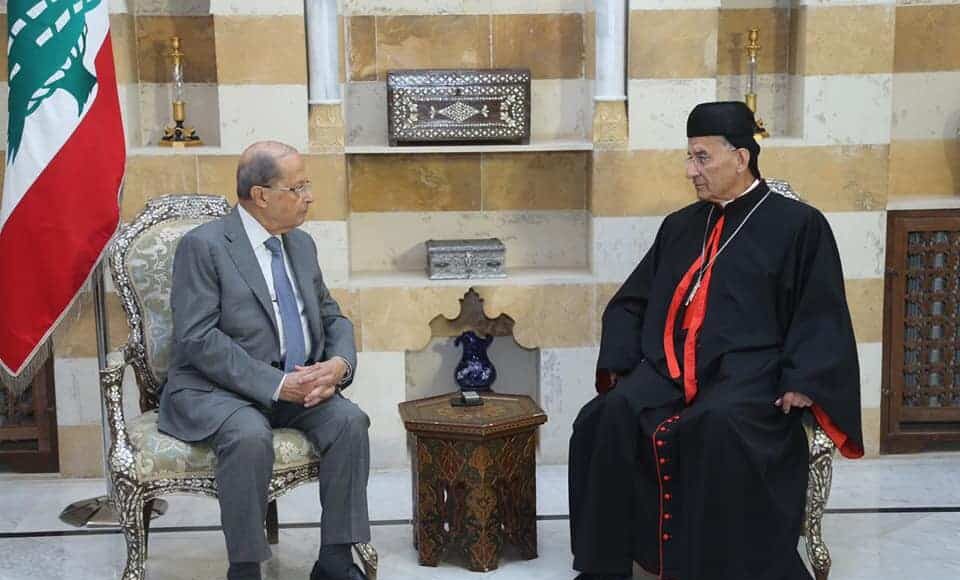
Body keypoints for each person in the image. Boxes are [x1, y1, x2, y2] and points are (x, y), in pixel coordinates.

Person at [568, 102, 863, 580]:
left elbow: (822, 309)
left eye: (701, 158)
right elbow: (633, 300)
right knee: (605, 416)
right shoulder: (681, 225)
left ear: (741, 157)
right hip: (670, 368)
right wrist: (624, 363)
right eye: (688, 157)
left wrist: (803, 379)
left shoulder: (798, 225)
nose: (691, 171)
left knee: (717, 424)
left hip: (750, 372)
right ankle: (606, 565)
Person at [158, 141, 370, 580]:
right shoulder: (204, 246)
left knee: (350, 423)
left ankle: (334, 560)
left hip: (296, 382)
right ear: (261, 196)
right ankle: (246, 567)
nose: (309, 196)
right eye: (299, 187)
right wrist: (274, 385)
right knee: (249, 436)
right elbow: (197, 339)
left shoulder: (301, 245)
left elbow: (331, 315)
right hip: (217, 388)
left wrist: (338, 366)